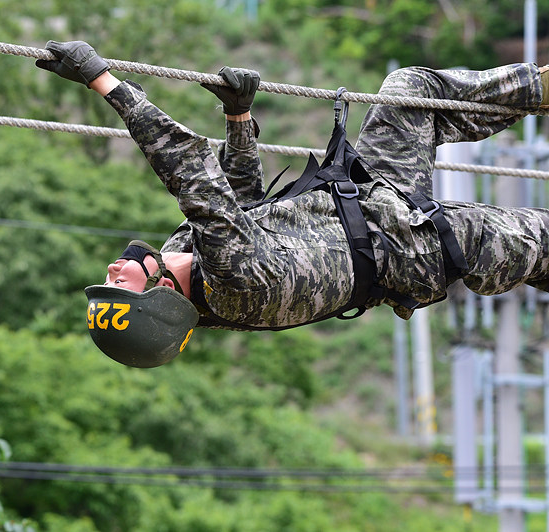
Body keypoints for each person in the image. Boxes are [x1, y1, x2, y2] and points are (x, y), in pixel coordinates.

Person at [36, 40, 549, 368]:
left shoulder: (186, 254)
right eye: (117, 283)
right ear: (162, 295)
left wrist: (239, 120)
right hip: (418, 245)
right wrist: (105, 82)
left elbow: (242, 205)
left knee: (411, 88)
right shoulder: (235, 285)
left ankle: (539, 88)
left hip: (371, 196)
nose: (112, 267)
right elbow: (190, 169)